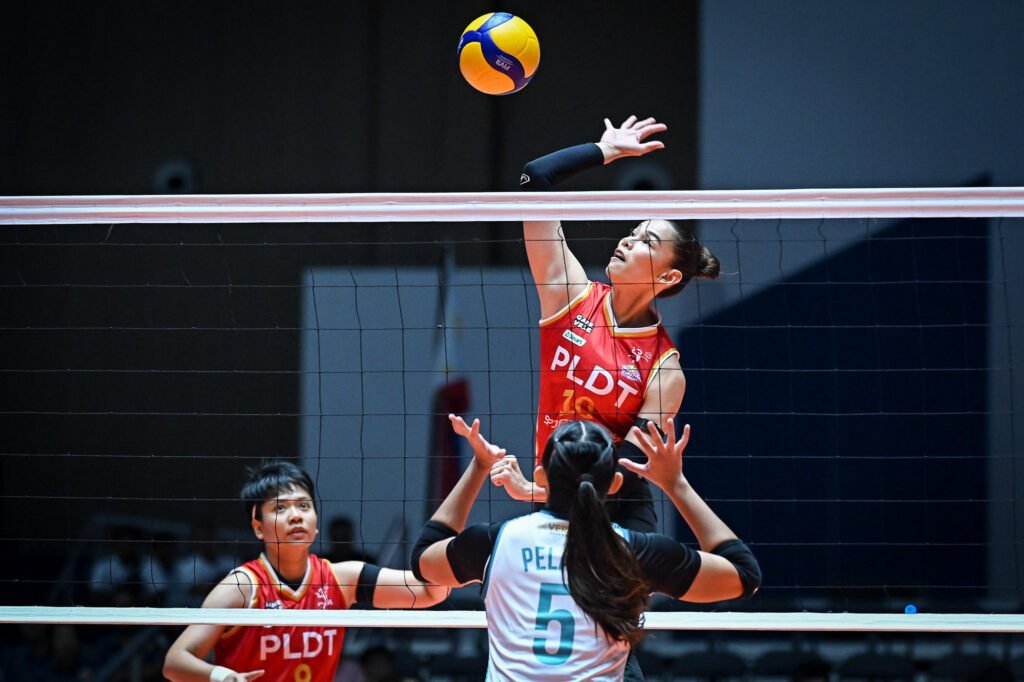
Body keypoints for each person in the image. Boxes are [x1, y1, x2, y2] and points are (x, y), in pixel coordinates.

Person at [494, 114, 721, 533]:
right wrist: (608, 150)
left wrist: (532, 489)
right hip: (553, 506)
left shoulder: (664, 367)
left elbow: (627, 471)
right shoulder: (570, 296)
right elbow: (534, 178)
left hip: (619, 514)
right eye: (632, 232)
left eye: (645, 242)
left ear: (669, 277)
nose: (626, 241)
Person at [412, 415, 760, 681]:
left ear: (541, 476)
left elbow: (423, 559)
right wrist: (675, 484)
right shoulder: (632, 551)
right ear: (615, 484)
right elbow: (743, 575)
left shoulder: (497, 542)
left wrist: (479, 467)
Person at [164, 461, 449, 682]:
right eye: (280, 508)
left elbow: (427, 591)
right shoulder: (242, 586)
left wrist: (477, 470)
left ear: (315, 523)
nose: (296, 515)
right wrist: (221, 675)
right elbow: (175, 661)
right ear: (258, 527)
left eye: (303, 505)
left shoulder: (341, 578)